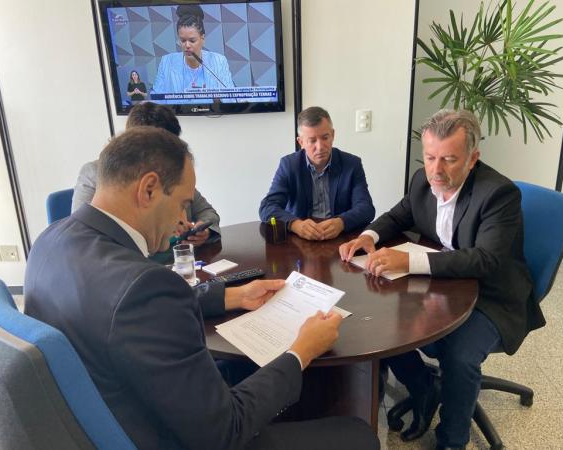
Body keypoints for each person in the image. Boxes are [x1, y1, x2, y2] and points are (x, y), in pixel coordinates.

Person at [25, 127, 379, 450]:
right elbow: (225, 432)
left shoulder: (49, 241)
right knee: (357, 434)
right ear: (149, 189)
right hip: (168, 435)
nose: (183, 220)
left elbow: (120, 315)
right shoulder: (145, 286)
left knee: (242, 370)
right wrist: (301, 351)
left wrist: (233, 295)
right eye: (182, 203)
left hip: (105, 411)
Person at [339, 109, 546, 450]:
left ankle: (452, 440)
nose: (436, 170)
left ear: (472, 158)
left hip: (491, 293)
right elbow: (399, 215)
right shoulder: (423, 179)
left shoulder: (498, 194)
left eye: (449, 159)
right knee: (378, 321)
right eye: (430, 157)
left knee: (460, 356)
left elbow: (486, 259)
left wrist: (409, 261)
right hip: (442, 282)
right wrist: (368, 236)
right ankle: (423, 386)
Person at [72, 101, 220, 247]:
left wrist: (202, 230)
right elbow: (85, 235)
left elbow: (207, 212)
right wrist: (163, 223)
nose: (169, 156)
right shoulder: (95, 173)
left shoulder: (174, 172)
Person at [259, 106, 375, 241]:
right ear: (301, 142)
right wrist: (295, 224)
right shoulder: (289, 165)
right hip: (301, 239)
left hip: (340, 237)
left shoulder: (352, 164)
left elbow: (366, 208)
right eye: (312, 140)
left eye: (325, 137)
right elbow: (267, 207)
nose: (320, 147)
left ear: (333, 135)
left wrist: (342, 222)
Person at [151, 5, 234, 104]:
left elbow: (232, 99)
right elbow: (156, 101)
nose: (187, 45)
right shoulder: (166, 62)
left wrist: (219, 101)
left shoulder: (219, 61)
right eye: (183, 40)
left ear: (202, 39)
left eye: (192, 40)